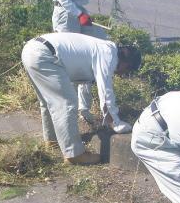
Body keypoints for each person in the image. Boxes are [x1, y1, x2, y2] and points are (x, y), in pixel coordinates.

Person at [21, 33, 141, 165]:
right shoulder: (109, 55)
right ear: (126, 63)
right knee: (67, 103)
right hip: (45, 55)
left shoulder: (103, 48)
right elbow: (106, 91)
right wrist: (116, 122)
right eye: (127, 70)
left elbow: (85, 85)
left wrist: (86, 111)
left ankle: (52, 140)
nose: (123, 74)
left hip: (32, 50)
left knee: (49, 101)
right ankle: (74, 155)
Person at [52, 0, 126, 124]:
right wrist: (80, 14)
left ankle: (83, 108)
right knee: (70, 61)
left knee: (98, 46)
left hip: (79, 13)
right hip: (65, 15)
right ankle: (65, 110)